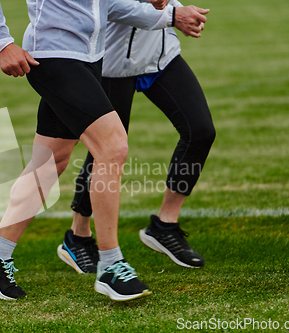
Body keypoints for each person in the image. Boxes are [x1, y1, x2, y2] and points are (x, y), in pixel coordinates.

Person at [0, 0, 209, 301]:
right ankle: (110, 264)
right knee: (113, 146)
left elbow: (111, 4)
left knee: (51, 161)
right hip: (54, 57)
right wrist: (2, 42)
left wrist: (170, 15)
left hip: (91, 58)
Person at [56, 1, 216, 274]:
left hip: (162, 56)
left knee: (200, 131)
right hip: (113, 63)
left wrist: (176, 11)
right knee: (104, 150)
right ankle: (78, 235)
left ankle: (164, 225)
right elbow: (117, 7)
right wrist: (173, 14)